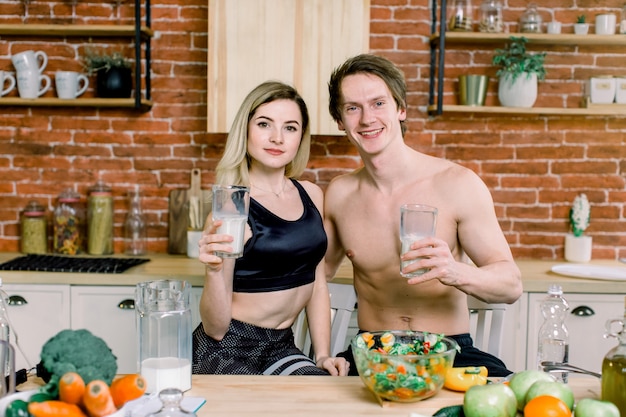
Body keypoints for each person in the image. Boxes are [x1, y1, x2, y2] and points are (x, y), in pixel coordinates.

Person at [323, 54, 523, 377]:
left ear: (400, 109)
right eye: (352, 108)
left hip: (450, 353)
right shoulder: (340, 195)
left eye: (378, 103)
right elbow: (313, 277)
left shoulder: (457, 184)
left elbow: (511, 284)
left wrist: (454, 271)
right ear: (340, 121)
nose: (366, 119)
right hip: (372, 355)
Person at [193, 81, 349, 376]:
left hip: (280, 347)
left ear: (301, 137)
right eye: (265, 124)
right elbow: (215, 328)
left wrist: (323, 355)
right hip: (225, 347)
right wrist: (214, 271)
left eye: (290, 127)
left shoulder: (312, 195)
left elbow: (317, 283)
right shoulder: (231, 204)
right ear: (247, 130)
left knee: (322, 398)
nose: (277, 137)